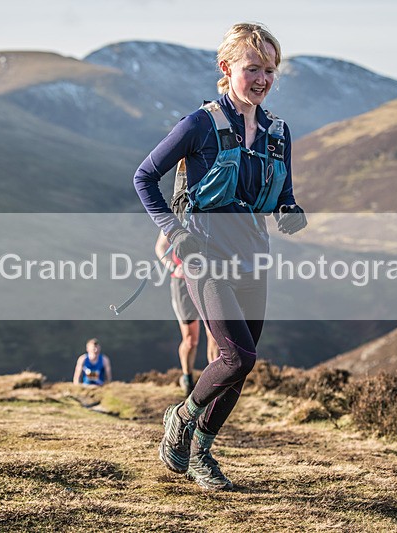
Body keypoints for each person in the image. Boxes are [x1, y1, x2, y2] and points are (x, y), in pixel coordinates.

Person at [134, 23, 307, 490]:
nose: (262, 79)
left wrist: (289, 211)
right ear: (226, 67)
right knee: (236, 356)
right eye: (253, 68)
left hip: (253, 259)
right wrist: (174, 231)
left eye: (269, 70)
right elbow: (144, 177)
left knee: (242, 365)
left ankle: (200, 453)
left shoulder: (278, 133)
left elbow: (283, 195)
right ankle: (181, 416)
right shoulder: (199, 125)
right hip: (204, 256)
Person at [155, 230, 220, 396]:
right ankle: (187, 378)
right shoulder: (175, 218)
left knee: (214, 335)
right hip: (182, 282)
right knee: (191, 340)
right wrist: (173, 267)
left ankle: (214, 384)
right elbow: (160, 247)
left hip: (208, 279)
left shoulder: (210, 217)